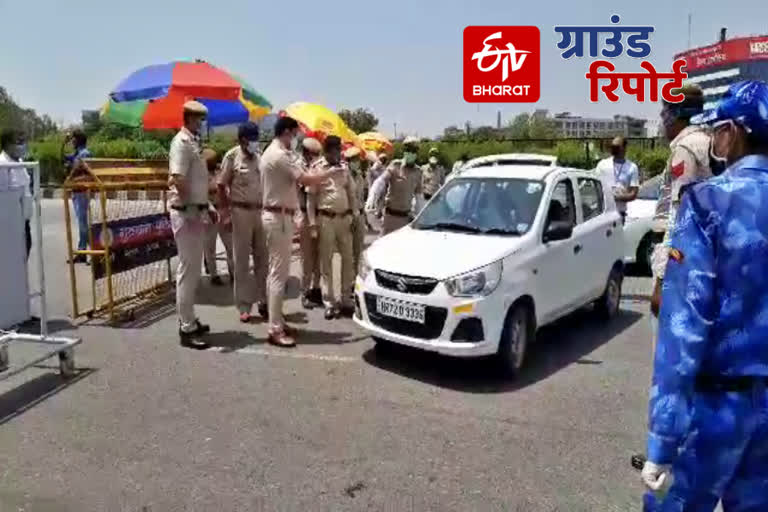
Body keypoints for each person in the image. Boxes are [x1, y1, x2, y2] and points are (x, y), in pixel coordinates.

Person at [641, 80, 768, 511]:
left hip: (717, 407)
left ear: (733, 133)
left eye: (719, 130)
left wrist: (662, 440)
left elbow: (684, 329)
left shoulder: (708, 202)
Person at [259, 117, 346, 347]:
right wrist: (331, 173)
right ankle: (275, 329)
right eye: (295, 134)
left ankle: (276, 320)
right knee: (278, 275)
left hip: (281, 216)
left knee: (276, 274)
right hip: (278, 217)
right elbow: (305, 179)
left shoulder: (277, 153)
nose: (296, 139)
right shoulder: (278, 155)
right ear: (287, 132)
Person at [649, 83, 712, 318]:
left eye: (665, 112)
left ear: (676, 115)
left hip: (682, 264)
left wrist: (662, 279)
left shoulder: (686, 148)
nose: (662, 119)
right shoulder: (708, 140)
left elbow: (679, 215)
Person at [168, 101, 213, 350]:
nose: (200, 123)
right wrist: (190, 208)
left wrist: (207, 206)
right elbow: (178, 179)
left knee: (194, 270)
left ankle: (190, 319)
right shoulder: (181, 143)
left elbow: (197, 183)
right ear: (187, 118)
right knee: (187, 271)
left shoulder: (193, 143)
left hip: (195, 211)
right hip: (186, 214)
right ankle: (186, 328)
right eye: (197, 119)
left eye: (202, 119)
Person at [217, 122, 268, 323]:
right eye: (252, 138)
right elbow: (221, 185)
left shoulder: (260, 157)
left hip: (260, 212)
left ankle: (264, 301)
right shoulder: (231, 157)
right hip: (240, 212)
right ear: (242, 140)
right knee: (241, 262)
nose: (255, 142)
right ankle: (244, 306)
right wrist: (225, 213)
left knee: (263, 260)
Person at [307, 136, 356, 320]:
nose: (337, 154)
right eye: (334, 151)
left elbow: (350, 192)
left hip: (344, 218)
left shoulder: (344, 168)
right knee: (325, 261)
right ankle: (329, 302)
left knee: (348, 258)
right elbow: (310, 199)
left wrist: (352, 213)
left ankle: (345, 299)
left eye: (339, 150)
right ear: (327, 152)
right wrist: (312, 224)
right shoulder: (317, 168)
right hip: (325, 218)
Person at [368, 136, 423, 235]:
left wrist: (419, 215)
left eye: (413, 150)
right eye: (408, 150)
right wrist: (373, 195)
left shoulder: (418, 172)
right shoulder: (395, 165)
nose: (410, 153)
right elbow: (381, 181)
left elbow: (419, 196)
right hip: (390, 217)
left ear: (417, 153)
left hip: (406, 219)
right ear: (404, 151)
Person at [297, 137, 323, 310]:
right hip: (304, 215)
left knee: (318, 255)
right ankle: (305, 291)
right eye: (313, 154)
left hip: (318, 214)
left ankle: (316, 288)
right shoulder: (297, 166)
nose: (316, 157)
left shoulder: (317, 167)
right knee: (306, 257)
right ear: (305, 153)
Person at [0, 129, 32, 259]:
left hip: (23, 222)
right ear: (7, 144)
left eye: (24, 142)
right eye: (19, 142)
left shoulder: (19, 162)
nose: (23, 145)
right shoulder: (2, 165)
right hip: (9, 224)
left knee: (22, 259)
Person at [63, 129, 92, 264]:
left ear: (78, 139)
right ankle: (83, 252)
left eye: (73, 138)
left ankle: (89, 252)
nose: (72, 141)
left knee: (83, 224)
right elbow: (62, 157)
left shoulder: (84, 154)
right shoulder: (76, 153)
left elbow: (85, 171)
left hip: (82, 192)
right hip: (76, 192)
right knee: (82, 224)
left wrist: (72, 167)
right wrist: (63, 144)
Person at [595, 136, 639, 223]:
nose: (614, 149)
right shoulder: (602, 165)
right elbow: (595, 187)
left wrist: (616, 197)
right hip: (602, 214)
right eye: (612, 147)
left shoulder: (632, 167)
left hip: (619, 214)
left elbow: (633, 194)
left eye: (617, 147)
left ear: (624, 148)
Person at [201, 148, 227, 287]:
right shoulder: (201, 176)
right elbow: (201, 195)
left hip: (221, 211)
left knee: (228, 244)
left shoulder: (219, 173)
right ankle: (214, 274)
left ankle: (232, 271)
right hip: (209, 213)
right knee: (209, 246)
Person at [344, 146, 367, 279]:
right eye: (354, 160)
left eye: (357, 159)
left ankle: (355, 279)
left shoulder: (359, 176)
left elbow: (361, 196)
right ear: (348, 161)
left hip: (360, 215)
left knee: (358, 250)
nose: (356, 162)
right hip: (348, 215)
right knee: (347, 251)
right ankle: (348, 280)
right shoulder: (343, 175)